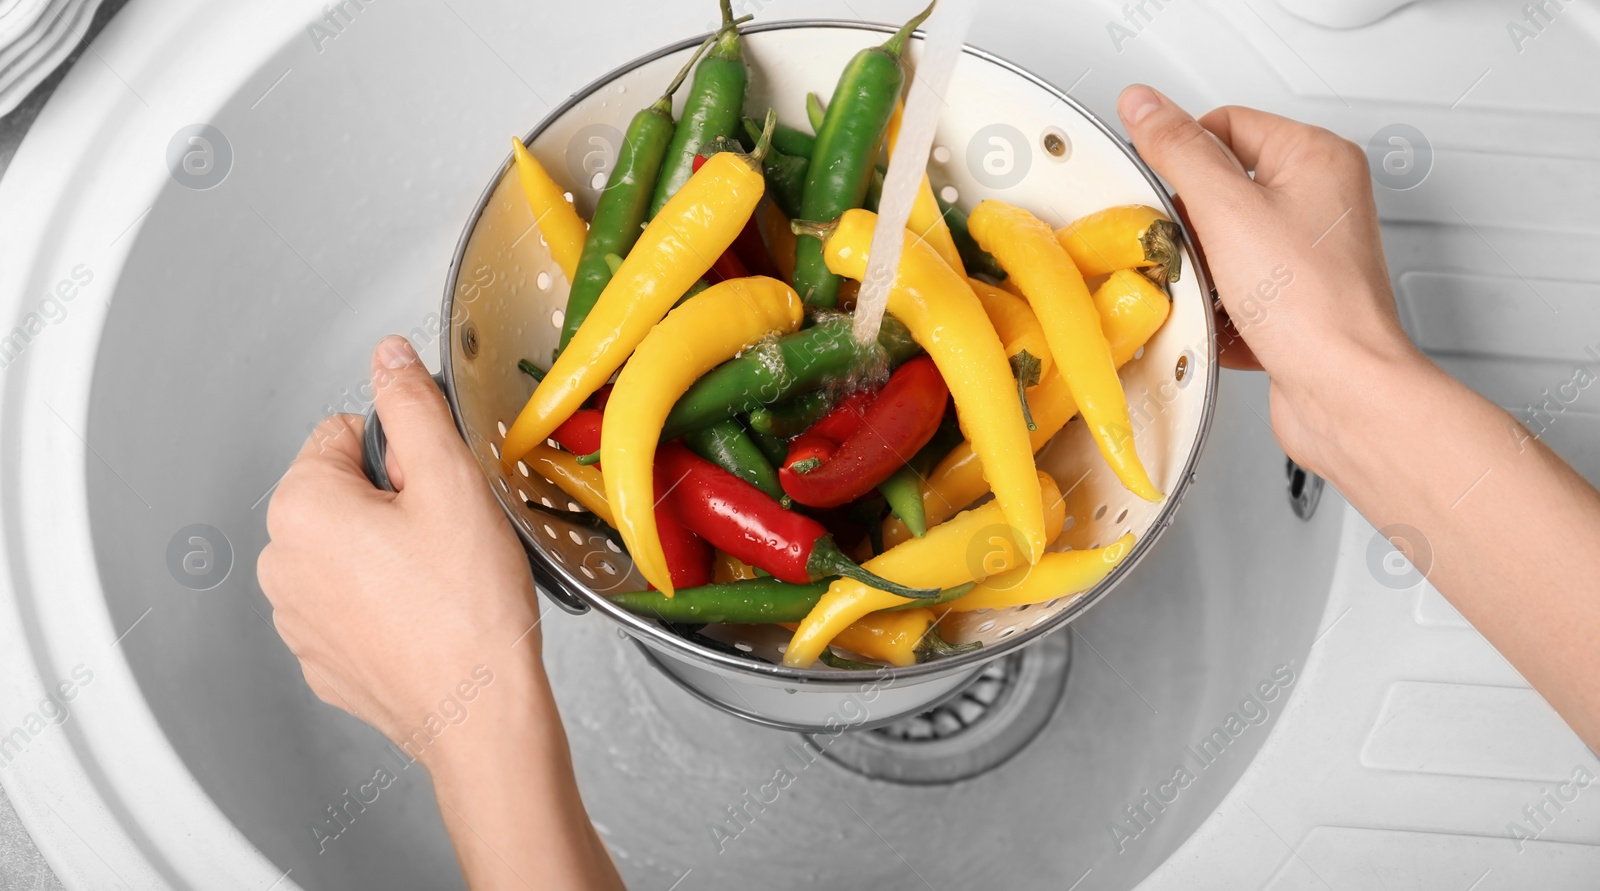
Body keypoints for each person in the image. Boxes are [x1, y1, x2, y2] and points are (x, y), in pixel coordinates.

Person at [258, 85, 1600, 888]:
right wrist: (1353, 381)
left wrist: (467, 722)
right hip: (834, 513)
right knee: (733, 446)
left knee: (879, 481)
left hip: (851, 539)